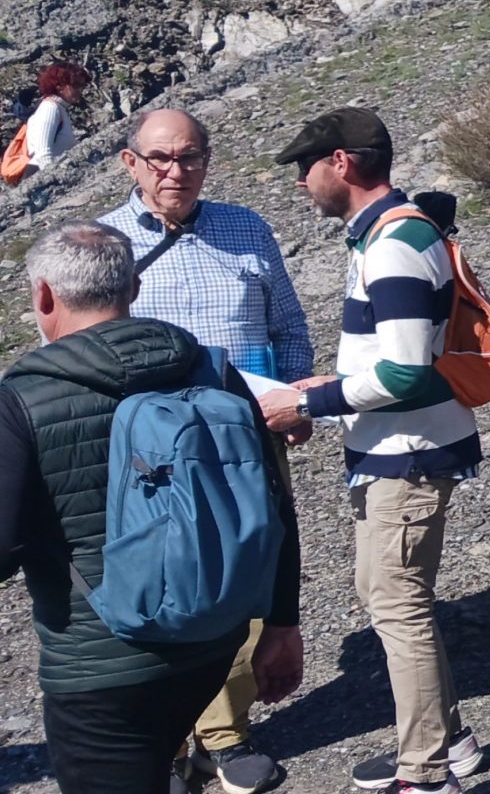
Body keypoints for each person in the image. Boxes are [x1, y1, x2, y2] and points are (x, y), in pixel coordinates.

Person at [0, 222, 305, 794]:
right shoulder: (212, 370)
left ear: (43, 295)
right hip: (212, 640)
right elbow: (273, 506)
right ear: (134, 287)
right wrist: (283, 622)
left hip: (99, 668)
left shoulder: (20, 399)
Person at [255, 108, 481, 794]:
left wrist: (309, 404)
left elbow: (406, 373)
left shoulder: (392, 245)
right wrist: (329, 386)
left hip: (408, 456)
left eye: (307, 166)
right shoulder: (391, 235)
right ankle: (446, 741)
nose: (301, 181)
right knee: (389, 596)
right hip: (403, 449)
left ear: (341, 163)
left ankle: (426, 771)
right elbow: (398, 357)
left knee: (398, 606)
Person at [97, 107, 312, 794]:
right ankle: (168, 734)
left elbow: (288, 325)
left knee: (252, 569)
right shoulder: (105, 241)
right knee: (162, 581)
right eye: (160, 158)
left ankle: (223, 732)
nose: (176, 171)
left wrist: (295, 398)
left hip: (248, 435)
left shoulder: (247, 229)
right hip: (152, 456)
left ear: (206, 160)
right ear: (130, 162)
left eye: (189, 156)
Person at [23, 62, 91, 172]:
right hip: (40, 172)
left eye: (82, 86)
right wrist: (53, 177)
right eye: (76, 85)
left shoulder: (59, 108)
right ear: (59, 86)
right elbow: (43, 153)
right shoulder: (50, 108)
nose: (80, 91)